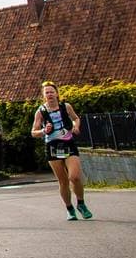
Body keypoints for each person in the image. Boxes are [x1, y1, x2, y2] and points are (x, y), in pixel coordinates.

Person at [31, 83, 92, 220]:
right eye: (47, 93)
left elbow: (76, 118)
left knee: (75, 177)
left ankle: (81, 204)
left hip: (68, 144)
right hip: (53, 146)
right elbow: (33, 132)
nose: (50, 95)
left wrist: (76, 126)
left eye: (52, 92)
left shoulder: (66, 106)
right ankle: (69, 209)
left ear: (57, 93)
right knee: (63, 181)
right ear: (44, 96)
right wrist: (43, 131)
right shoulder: (40, 111)